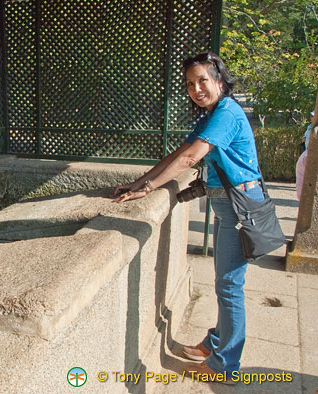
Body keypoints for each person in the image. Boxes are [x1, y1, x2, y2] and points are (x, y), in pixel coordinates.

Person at [112, 51, 264, 383]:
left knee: (230, 286)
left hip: (240, 208)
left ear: (220, 81)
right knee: (226, 283)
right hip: (227, 206)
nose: (196, 88)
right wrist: (140, 183)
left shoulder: (225, 114)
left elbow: (190, 159)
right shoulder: (212, 115)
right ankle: (215, 342)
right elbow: (177, 153)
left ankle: (226, 365)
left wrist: (149, 187)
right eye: (190, 84)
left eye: (203, 80)